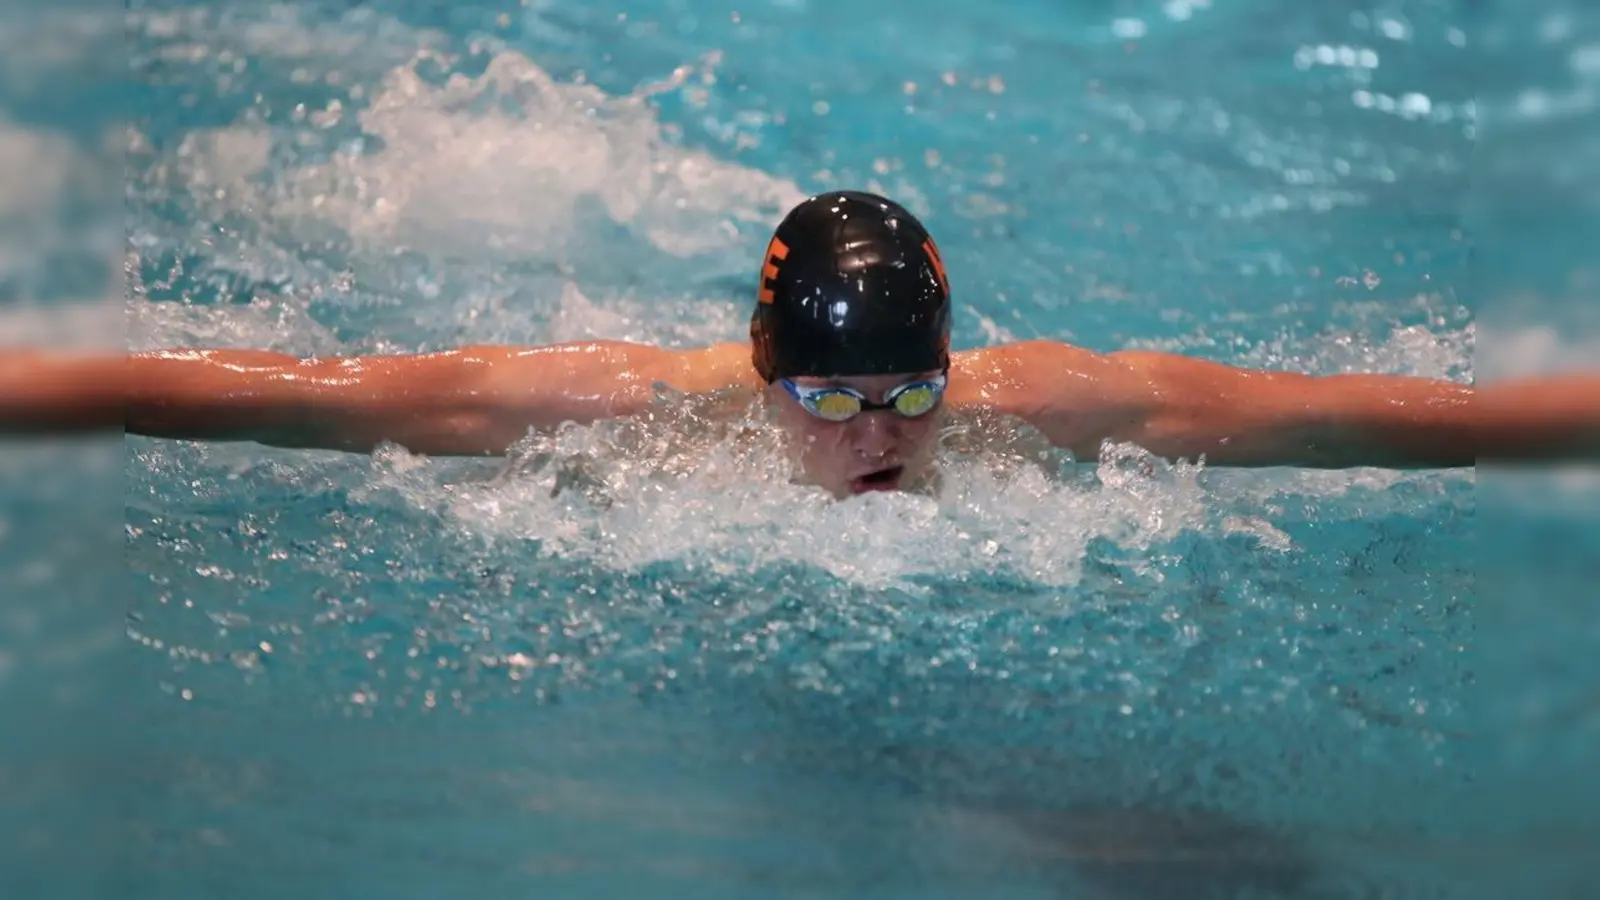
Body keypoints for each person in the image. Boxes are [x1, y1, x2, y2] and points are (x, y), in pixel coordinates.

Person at [4, 190, 1598, 496]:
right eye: (830, 399)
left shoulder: (1038, 410)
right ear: (763, 375)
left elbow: (1340, 418)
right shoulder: (629, 414)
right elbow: (305, 400)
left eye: (913, 394)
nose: (879, 438)